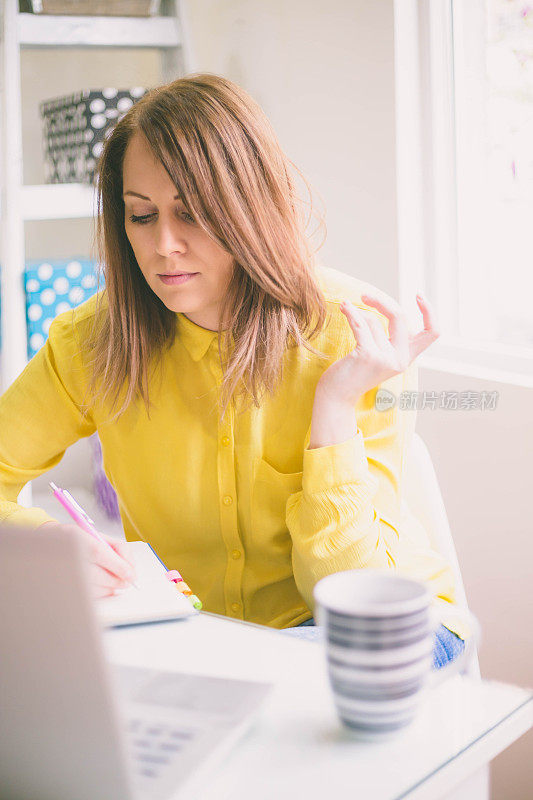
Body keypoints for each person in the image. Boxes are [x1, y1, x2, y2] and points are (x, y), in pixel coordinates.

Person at [0, 73, 466, 659]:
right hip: (202, 639)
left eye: (192, 214)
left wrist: (336, 406)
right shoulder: (94, 342)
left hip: (380, 627)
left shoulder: (353, 334)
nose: (164, 244)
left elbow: (345, 591)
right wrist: (47, 544)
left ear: (249, 207)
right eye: (141, 216)